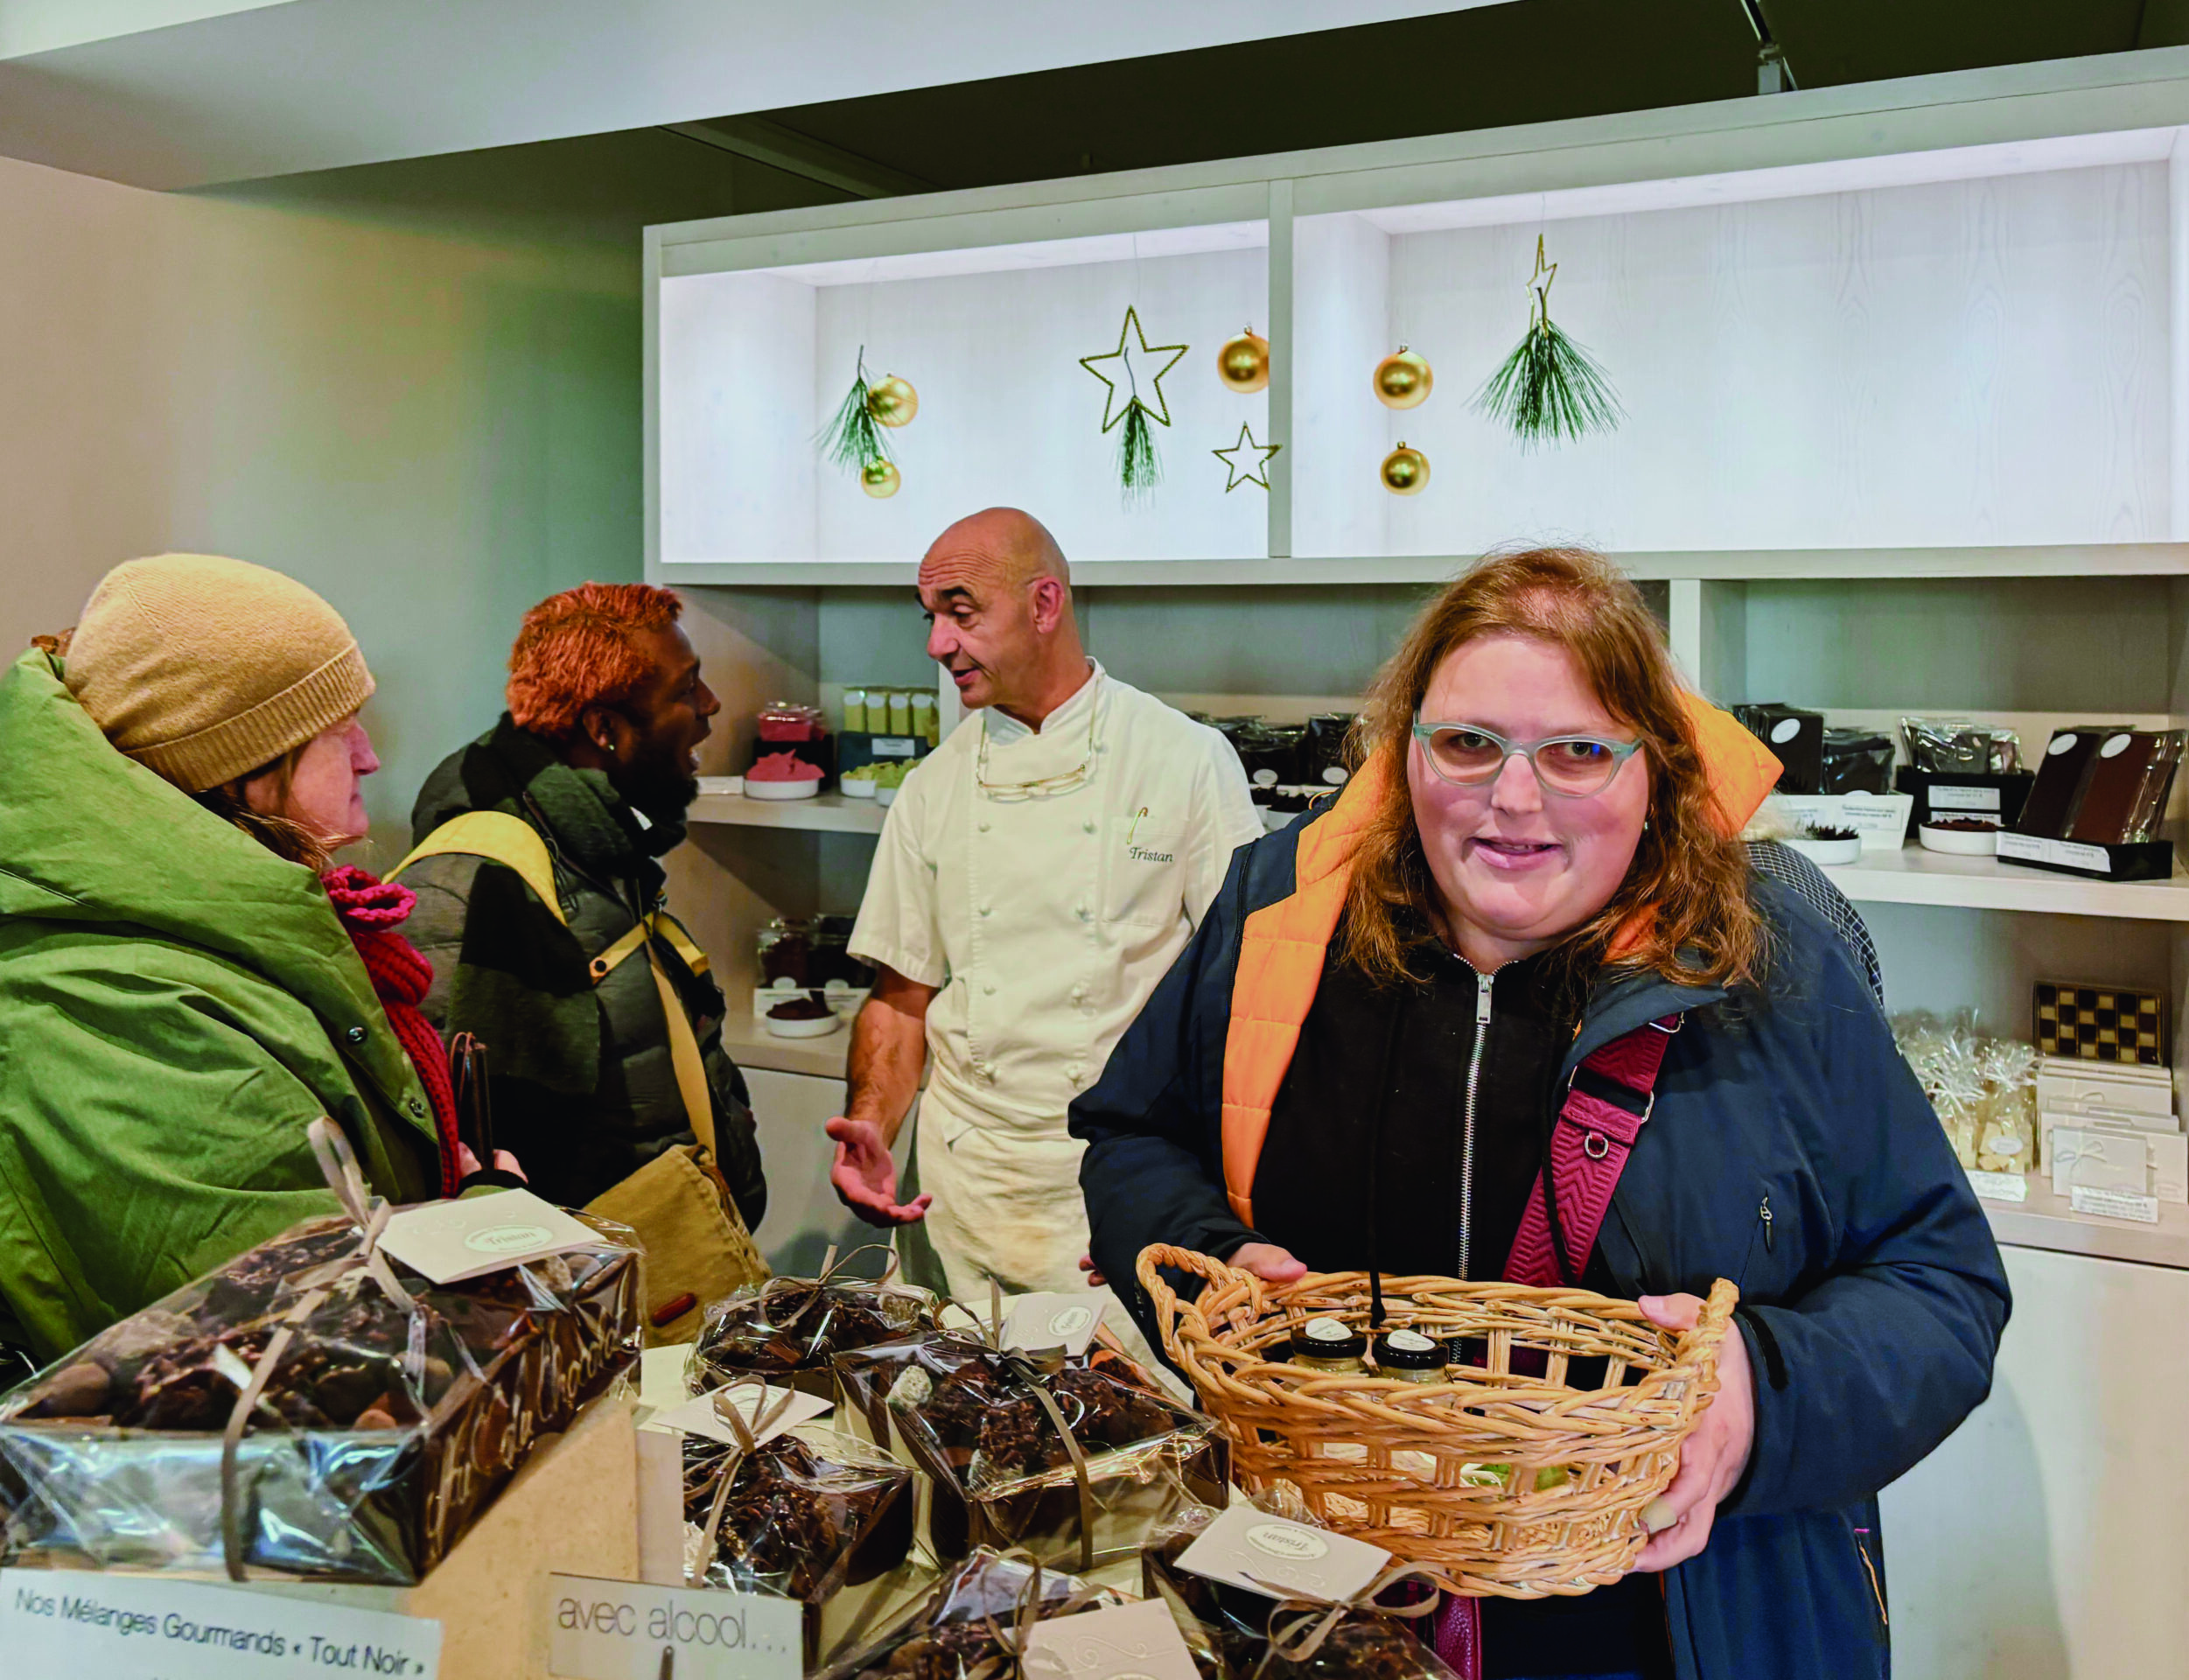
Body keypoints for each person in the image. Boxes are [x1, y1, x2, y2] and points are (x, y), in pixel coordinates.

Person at [1074, 548, 2010, 1680]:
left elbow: (1940, 1282)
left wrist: (1756, 1395)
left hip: (1676, 1623)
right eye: (1468, 744)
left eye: (1577, 752)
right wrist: (1219, 1266)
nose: (1514, 799)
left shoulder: (1773, 969)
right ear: (1404, 750)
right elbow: (1134, 1133)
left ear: (1653, 772)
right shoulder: (1278, 912)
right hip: (1317, 1606)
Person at [0, 554, 470, 1368]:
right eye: (338, 728)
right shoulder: (121, 1012)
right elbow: (301, 1361)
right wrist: (491, 1222)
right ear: (243, 770)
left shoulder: (224, 936)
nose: (370, 757)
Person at [828, 508, 1260, 1334]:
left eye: (961, 613)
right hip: (964, 1184)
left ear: (1044, 603)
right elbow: (899, 995)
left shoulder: (1183, 760)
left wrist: (1198, 1202)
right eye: (931, 619)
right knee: (956, 1436)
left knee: (1133, 1443)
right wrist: (872, 1125)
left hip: (1113, 1184)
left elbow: (1238, 998)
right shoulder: (932, 787)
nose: (937, 645)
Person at [393, 582, 767, 1222]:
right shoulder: (475, 882)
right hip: (589, 1295)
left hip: (659, 1271)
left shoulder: (592, 848)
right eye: (685, 689)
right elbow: (467, 1152)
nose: (710, 705)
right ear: (604, 729)